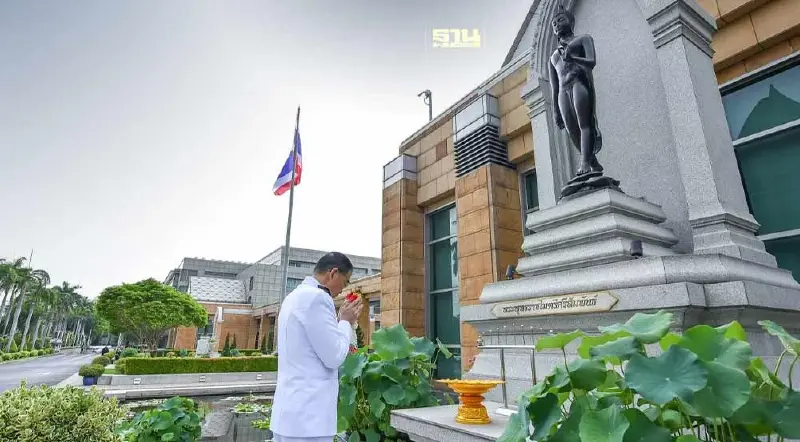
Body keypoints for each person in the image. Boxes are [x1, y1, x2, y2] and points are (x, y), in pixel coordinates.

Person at [270, 252, 364, 442]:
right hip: (309, 419)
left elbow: (315, 344)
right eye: (345, 282)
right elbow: (334, 357)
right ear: (333, 273)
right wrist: (345, 322)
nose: (342, 290)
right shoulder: (318, 298)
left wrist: (338, 321)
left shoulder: (294, 296)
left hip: (289, 414)